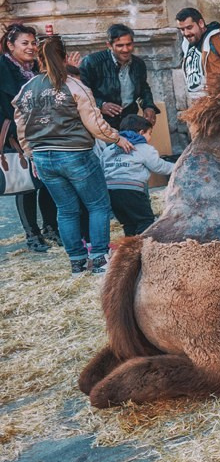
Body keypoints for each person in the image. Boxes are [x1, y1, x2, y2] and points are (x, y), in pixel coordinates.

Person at [12, 35, 133, 275]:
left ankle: (77, 263)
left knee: (65, 210)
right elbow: (95, 124)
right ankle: (99, 259)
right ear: (65, 57)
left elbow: (21, 125)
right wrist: (117, 138)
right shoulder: (74, 85)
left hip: (44, 156)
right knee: (97, 205)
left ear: (39, 58)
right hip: (75, 154)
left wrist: (31, 154)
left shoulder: (27, 89)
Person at [1, 22, 59, 252]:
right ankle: (32, 234)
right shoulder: (3, 68)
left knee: (47, 181)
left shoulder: (35, 67)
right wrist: (14, 133)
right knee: (26, 184)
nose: (31, 47)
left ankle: (50, 227)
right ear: (10, 45)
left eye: (34, 43)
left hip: (42, 131)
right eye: (25, 43)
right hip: (15, 134)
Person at [98, 114, 174, 236]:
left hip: (111, 192)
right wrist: (179, 167)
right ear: (141, 132)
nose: (150, 137)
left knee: (128, 223)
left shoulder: (109, 149)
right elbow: (159, 167)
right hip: (133, 191)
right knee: (145, 221)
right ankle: (143, 248)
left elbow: (102, 167)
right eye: (149, 134)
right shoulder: (144, 148)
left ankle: (130, 248)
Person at [79, 23, 160, 130]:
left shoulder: (138, 64)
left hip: (128, 120)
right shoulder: (92, 62)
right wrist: (100, 105)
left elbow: (143, 88)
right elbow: (81, 93)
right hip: (101, 122)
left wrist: (148, 106)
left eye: (129, 44)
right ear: (109, 45)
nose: (125, 49)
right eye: (120, 45)